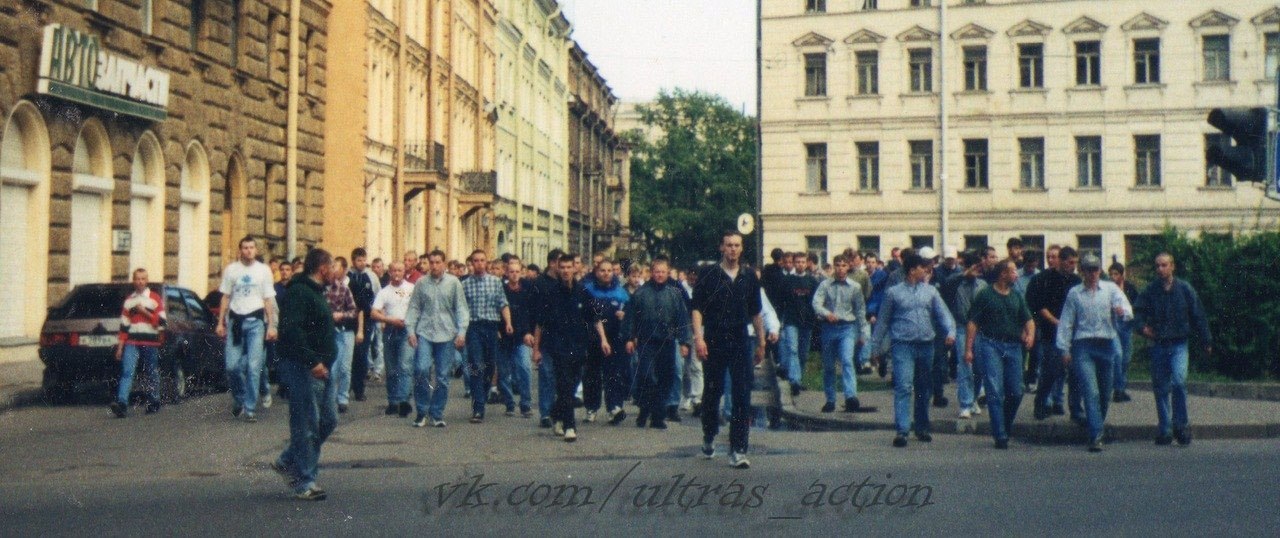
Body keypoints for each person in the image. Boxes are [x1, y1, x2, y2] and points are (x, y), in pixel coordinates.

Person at [692, 232, 765, 469]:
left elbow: (756, 312)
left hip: (740, 339)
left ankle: (738, 449)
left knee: (742, 394)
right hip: (714, 337)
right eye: (728, 245)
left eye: (737, 245)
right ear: (721, 248)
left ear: (742, 249)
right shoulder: (709, 274)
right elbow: (697, 309)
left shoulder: (749, 276)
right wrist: (699, 338)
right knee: (713, 393)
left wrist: (762, 343)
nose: (733, 249)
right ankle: (709, 434)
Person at [870, 251, 956, 448]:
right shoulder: (894, 293)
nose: (925, 270)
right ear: (911, 270)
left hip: (926, 345)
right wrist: (875, 348)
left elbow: (943, 314)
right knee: (903, 386)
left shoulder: (931, 292)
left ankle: (922, 427)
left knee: (924, 388)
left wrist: (950, 331)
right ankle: (902, 430)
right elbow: (883, 321)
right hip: (903, 346)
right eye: (921, 267)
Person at [272, 248, 337, 501]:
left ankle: (288, 459)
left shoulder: (316, 293)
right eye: (333, 267)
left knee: (328, 421)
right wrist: (312, 361)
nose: (335, 272)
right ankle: (305, 482)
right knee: (306, 423)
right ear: (322, 269)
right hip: (304, 368)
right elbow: (291, 332)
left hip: (322, 368)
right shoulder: (299, 293)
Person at [1134, 253, 1211, 447]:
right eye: (1158, 266)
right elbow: (1137, 312)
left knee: (1178, 382)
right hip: (1158, 344)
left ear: (1172, 266)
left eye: (1164, 265)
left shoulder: (1185, 289)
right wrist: (1143, 328)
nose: (1161, 269)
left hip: (1179, 344)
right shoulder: (1151, 291)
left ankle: (1181, 426)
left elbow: (1198, 314)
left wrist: (1206, 340)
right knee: (1160, 388)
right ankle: (1165, 429)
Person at [1057, 253, 1133, 452]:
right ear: (1081, 271)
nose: (1091, 274)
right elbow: (1066, 322)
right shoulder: (1075, 293)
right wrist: (1064, 348)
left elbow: (1127, 309)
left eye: (1095, 269)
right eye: (1087, 270)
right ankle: (1096, 434)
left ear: (1100, 270)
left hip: (1106, 344)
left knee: (1105, 392)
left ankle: (1096, 422)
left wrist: (1121, 312)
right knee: (1091, 391)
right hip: (1083, 345)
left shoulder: (1110, 289)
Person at [535, 254, 609, 442]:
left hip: (579, 346)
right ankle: (570, 426)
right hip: (557, 347)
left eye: (569, 267)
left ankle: (555, 414)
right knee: (565, 384)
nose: (566, 271)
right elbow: (540, 323)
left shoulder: (582, 292)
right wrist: (536, 349)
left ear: (574, 269)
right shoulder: (550, 293)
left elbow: (595, 319)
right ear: (558, 269)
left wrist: (603, 340)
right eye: (563, 267)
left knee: (573, 383)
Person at [965, 259, 1034, 449]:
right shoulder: (986, 295)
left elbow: (1028, 320)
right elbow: (973, 323)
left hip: (1013, 346)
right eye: (1012, 272)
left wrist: (1030, 336)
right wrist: (968, 349)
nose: (1016, 275)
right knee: (994, 390)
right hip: (990, 344)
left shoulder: (1016, 296)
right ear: (1003, 274)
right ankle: (1000, 435)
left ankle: (1004, 423)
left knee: (1017, 390)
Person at [623, 256, 692, 429]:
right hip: (647, 342)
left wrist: (684, 342)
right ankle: (645, 408)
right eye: (656, 272)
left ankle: (657, 417)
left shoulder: (674, 294)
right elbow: (631, 317)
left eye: (663, 272)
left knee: (665, 378)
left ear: (667, 273)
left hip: (667, 342)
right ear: (651, 273)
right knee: (647, 377)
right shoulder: (640, 293)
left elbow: (682, 319)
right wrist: (630, 338)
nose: (660, 275)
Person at [216, 236, 278, 423]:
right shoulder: (232, 270)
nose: (249, 250)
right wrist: (220, 322)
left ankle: (250, 408)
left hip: (256, 322)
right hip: (236, 321)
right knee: (232, 366)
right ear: (240, 250)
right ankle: (240, 398)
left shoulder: (263, 270)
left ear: (256, 250)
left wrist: (271, 325)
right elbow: (225, 297)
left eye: (252, 247)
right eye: (245, 247)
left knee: (253, 366)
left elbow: (268, 299)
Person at [405, 250, 469, 428]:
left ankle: (437, 413)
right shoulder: (421, 283)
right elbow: (414, 308)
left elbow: (461, 309)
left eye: (437, 262)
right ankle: (421, 411)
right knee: (421, 370)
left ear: (444, 264)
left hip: (447, 334)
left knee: (442, 376)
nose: (434, 266)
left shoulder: (453, 283)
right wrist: (410, 330)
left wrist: (461, 332)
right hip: (425, 332)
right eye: (431, 262)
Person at [1027, 245, 1081, 420]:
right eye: (1070, 262)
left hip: (1073, 333)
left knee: (1075, 373)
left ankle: (1075, 408)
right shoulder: (1044, 279)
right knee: (1051, 371)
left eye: (1075, 262)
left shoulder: (1076, 281)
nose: (1073, 266)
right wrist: (1057, 322)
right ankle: (1041, 402)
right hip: (1052, 332)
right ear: (1062, 261)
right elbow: (1039, 306)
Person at [811, 254, 870, 413]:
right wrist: (826, 313)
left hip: (847, 328)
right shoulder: (825, 285)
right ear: (834, 266)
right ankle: (830, 399)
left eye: (844, 265)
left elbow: (860, 310)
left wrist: (863, 333)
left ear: (848, 267)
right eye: (837, 265)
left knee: (846, 360)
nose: (840, 268)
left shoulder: (855, 287)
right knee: (829, 365)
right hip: (829, 328)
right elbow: (816, 303)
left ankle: (851, 396)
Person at [460, 249, 512, 423]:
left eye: (482, 260)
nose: (479, 264)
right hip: (473, 327)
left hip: (491, 327)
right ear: (472, 263)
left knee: (489, 367)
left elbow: (502, 304)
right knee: (476, 364)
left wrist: (508, 323)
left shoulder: (495, 282)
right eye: (476, 261)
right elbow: (461, 309)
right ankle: (478, 407)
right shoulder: (465, 284)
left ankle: (482, 391)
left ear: (486, 262)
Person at [110, 268, 166, 418]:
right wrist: (120, 347)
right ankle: (121, 403)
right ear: (133, 281)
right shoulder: (129, 301)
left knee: (150, 371)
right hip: (132, 341)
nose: (140, 282)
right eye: (137, 279)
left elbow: (161, 322)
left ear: (146, 281)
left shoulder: (154, 298)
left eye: (143, 279)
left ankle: (154, 400)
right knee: (128, 371)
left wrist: (144, 312)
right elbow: (124, 326)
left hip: (150, 342)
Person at [583, 258, 631, 424]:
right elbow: (591, 316)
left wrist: (624, 316)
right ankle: (591, 408)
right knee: (592, 374)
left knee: (614, 373)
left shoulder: (621, 292)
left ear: (614, 272)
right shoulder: (588, 290)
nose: (606, 274)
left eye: (609, 270)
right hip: (594, 338)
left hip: (615, 338)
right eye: (602, 270)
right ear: (597, 272)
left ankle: (614, 408)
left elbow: (630, 313)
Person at [942, 251, 988, 419]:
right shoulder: (956, 283)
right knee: (965, 366)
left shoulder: (982, 285)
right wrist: (963, 274)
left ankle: (974, 398)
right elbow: (946, 284)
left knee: (979, 368)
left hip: (980, 329)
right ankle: (965, 404)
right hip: (961, 327)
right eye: (973, 267)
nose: (976, 271)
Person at [371, 262, 415, 417]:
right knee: (391, 369)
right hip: (390, 329)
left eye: (400, 270)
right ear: (389, 272)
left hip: (406, 329)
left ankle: (403, 401)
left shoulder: (411, 289)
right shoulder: (384, 292)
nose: (397, 273)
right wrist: (389, 320)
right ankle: (393, 401)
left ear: (404, 272)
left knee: (404, 365)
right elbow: (374, 313)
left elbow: (418, 308)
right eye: (394, 270)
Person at [531, 249, 565, 428]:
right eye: (560, 263)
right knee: (546, 375)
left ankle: (558, 410)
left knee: (562, 377)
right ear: (552, 263)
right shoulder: (540, 283)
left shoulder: (566, 283)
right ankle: (545, 413)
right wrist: (535, 346)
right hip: (545, 337)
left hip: (564, 339)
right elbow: (536, 314)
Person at [324, 257, 362, 415]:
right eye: (330, 268)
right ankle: (330, 398)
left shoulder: (344, 289)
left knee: (345, 367)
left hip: (345, 330)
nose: (333, 271)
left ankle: (343, 398)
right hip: (328, 331)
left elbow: (354, 310)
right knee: (331, 368)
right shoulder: (321, 290)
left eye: (335, 268)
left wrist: (341, 314)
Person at [499, 258, 536, 418]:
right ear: (506, 273)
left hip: (522, 336)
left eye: (517, 272)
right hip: (504, 336)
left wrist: (530, 332)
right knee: (503, 372)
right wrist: (497, 330)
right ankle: (509, 403)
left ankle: (526, 403)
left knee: (525, 368)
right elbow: (496, 310)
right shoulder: (501, 289)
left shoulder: (527, 290)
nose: (514, 275)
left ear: (521, 273)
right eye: (511, 272)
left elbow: (532, 313)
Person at [779, 252, 818, 397]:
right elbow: (781, 301)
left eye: (803, 262)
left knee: (803, 353)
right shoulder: (787, 280)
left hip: (806, 321)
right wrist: (781, 320)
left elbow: (816, 302)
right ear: (794, 263)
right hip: (791, 320)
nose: (800, 264)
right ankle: (794, 380)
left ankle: (798, 378)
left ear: (806, 263)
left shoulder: (812, 281)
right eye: (798, 262)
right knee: (793, 350)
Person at [347, 248, 378, 403]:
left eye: (364, 259)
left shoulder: (370, 277)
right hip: (350, 319)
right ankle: (348, 385)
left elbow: (376, 297)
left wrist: (373, 313)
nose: (362, 263)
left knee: (362, 354)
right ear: (353, 261)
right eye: (359, 260)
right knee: (349, 354)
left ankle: (359, 388)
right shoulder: (347, 276)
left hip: (366, 319)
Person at [1108, 261, 1139, 403]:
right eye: (1111, 274)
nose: (1113, 277)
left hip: (1126, 324)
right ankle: (1117, 390)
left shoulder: (1129, 288)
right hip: (1113, 325)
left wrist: (1127, 311)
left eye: (1116, 274)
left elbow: (1137, 305)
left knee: (1126, 358)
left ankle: (1121, 387)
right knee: (1117, 356)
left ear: (1122, 275)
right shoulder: (1107, 289)